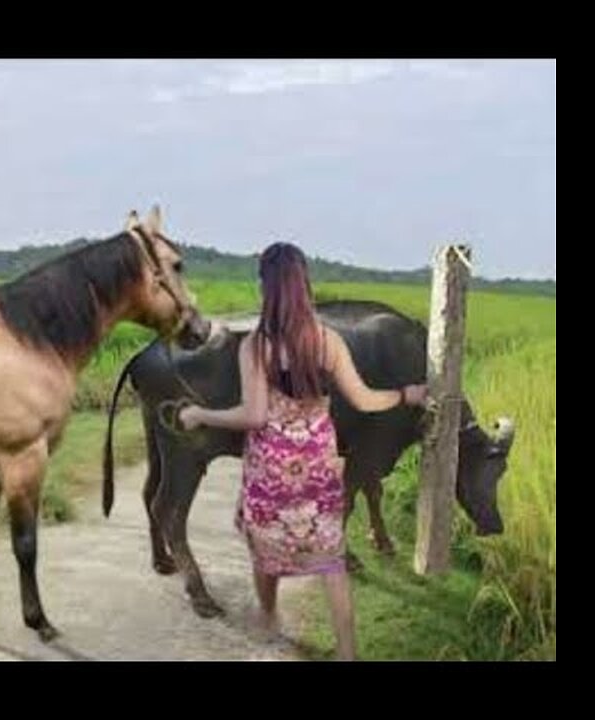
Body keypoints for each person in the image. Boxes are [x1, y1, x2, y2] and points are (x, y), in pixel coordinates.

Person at [178, 242, 428, 660]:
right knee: (330, 561)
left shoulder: (255, 346)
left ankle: (269, 615)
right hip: (318, 466)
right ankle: (348, 651)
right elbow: (366, 400)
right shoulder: (326, 341)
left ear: (266, 288)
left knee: (263, 547)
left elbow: (254, 415)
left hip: (269, 470)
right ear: (303, 285)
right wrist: (406, 393)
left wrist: (202, 413)